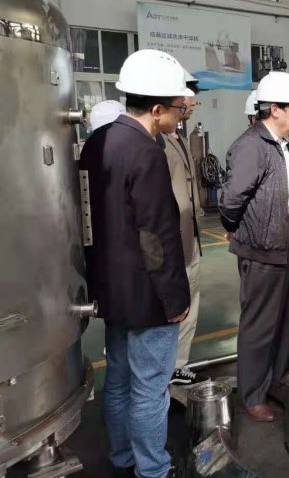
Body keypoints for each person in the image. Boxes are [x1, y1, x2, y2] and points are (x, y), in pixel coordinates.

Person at [80, 49, 192, 478]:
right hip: (149, 297)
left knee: (119, 380)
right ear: (157, 109)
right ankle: (153, 469)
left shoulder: (97, 142)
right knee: (149, 389)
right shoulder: (147, 152)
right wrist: (174, 300)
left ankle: (123, 456)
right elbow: (156, 236)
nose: (182, 114)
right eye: (178, 107)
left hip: (110, 290)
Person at [219, 71, 289, 423]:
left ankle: (276, 379)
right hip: (264, 245)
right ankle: (253, 394)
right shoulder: (251, 146)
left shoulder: (281, 144)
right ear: (275, 110)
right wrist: (242, 229)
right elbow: (231, 202)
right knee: (260, 323)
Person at [158, 72, 205, 386]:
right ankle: (164, 368)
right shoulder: (155, 142)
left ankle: (178, 364)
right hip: (172, 241)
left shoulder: (180, 138)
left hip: (192, 238)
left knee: (191, 302)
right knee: (173, 305)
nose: (192, 103)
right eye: (187, 96)